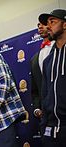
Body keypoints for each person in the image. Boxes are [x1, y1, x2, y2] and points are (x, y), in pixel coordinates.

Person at [39, 9, 66, 147]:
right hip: (52, 132)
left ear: (65, 24)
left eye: (52, 22)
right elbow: (44, 96)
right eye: (47, 23)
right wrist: (44, 128)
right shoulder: (47, 61)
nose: (48, 26)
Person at [31, 22, 54, 119]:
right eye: (38, 25)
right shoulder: (34, 59)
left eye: (43, 24)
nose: (40, 27)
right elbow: (35, 87)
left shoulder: (61, 49)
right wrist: (37, 108)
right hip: (45, 113)